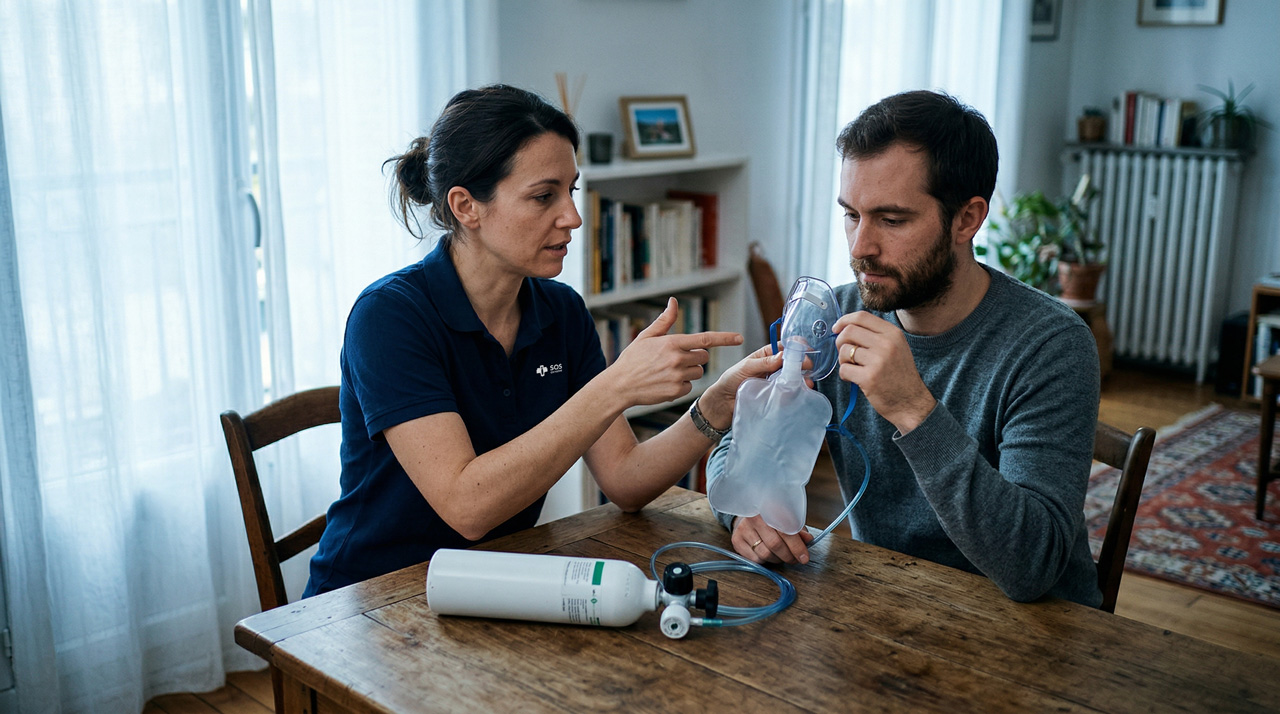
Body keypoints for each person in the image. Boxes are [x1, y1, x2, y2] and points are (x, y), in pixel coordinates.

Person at [304, 85, 779, 596]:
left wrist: (712, 408)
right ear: (466, 206)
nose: (572, 217)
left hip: (496, 583)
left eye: (571, 191)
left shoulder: (560, 310)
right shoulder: (390, 317)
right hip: (373, 598)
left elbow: (624, 480)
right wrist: (615, 386)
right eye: (542, 195)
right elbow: (468, 507)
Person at [707, 90, 1102, 607]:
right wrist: (745, 514)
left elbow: (1032, 566)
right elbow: (733, 453)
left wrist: (914, 410)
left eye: (892, 221)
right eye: (851, 214)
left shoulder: (1051, 345)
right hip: (888, 608)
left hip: (1033, 632)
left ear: (967, 219)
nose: (858, 247)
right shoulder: (835, 317)